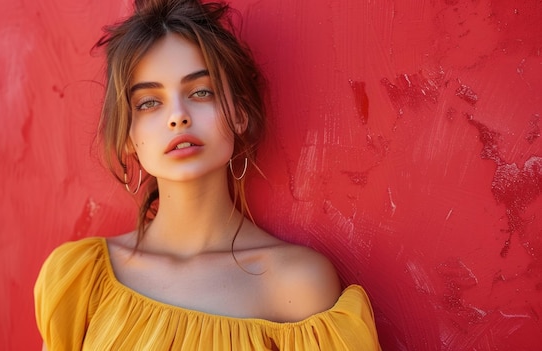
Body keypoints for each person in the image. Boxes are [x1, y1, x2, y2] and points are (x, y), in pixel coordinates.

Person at [34, 0, 381, 349]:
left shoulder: (296, 284)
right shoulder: (82, 279)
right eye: (149, 102)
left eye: (201, 92)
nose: (178, 116)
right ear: (127, 136)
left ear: (240, 112)